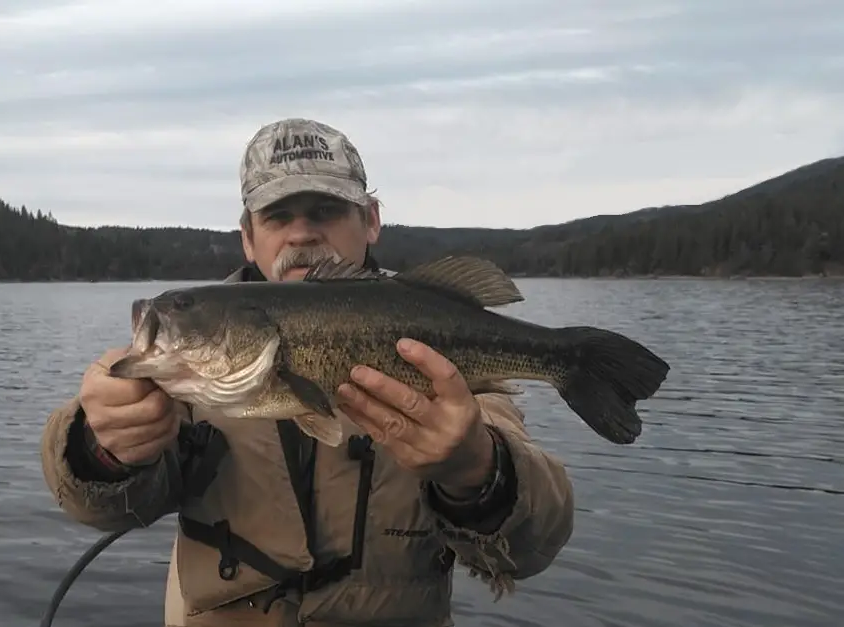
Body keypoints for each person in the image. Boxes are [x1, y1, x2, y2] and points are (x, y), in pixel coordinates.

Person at [39, 118, 575, 627]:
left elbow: (535, 543)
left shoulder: (427, 330)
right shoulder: (186, 374)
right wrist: (102, 448)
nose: (301, 234)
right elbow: (99, 507)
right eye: (277, 217)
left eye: (325, 211)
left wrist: (476, 468)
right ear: (247, 237)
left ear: (371, 220)